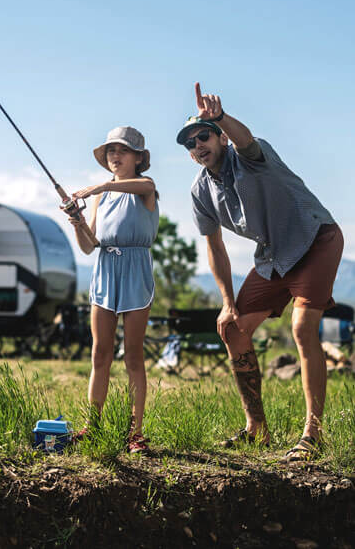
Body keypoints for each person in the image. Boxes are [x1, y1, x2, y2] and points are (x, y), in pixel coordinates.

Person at [177, 83, 343, 461]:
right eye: (191, 143)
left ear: (220, 137)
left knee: (302, 328)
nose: (198, 145)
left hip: (315, 238)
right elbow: (215, 247)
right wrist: (226, 303)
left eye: (204, 135)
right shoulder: (200, 191)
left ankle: (313, 435)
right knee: (231, 327)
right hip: (273, 257)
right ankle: (257, 429)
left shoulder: (249, 156)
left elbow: (247, 139)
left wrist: (219, 117)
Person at [63, 126, 159, 454]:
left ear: (138, 158)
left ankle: (136, 433)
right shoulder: (101, 198)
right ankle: (93, 425)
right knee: (100, 352)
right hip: (104, 269)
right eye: (110, 151)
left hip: (135, 269)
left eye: (122, 150)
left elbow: (146, 186)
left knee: (133, 354)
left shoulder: (145, 188)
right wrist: (77, 221)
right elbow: (90, 246)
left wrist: (100, 185)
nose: (115, 156)